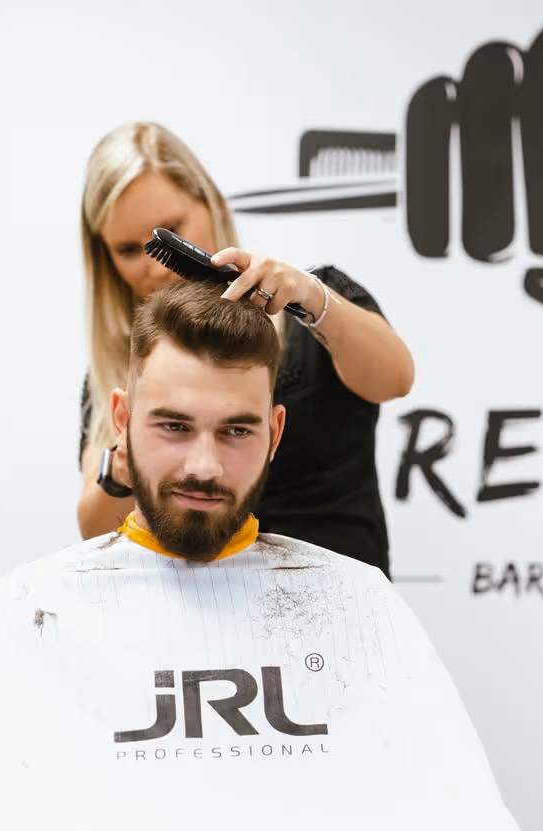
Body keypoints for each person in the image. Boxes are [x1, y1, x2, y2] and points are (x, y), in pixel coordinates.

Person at [0, 282, 543, 831]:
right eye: (173, 426)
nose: (204, 465)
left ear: (273, 433)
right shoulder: (26, 615)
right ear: (121, 419)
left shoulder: (356, 606)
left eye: (235, 431)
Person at [77, 121, 412, 579]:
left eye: (168, 232)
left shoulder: (312, 310)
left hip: (336, 614)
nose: (152, 266)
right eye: (128, 250)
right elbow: (95, 533)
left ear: (212, 203)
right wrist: (122, 465)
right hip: (190, 620)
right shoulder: (119, 363)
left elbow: (395, 378)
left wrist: (311, 298)